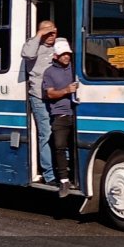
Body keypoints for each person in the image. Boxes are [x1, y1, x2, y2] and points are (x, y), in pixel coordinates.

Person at [21, 20, 58, 185]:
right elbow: (27, 54)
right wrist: (40, 35)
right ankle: (49, 174)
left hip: (58, 97)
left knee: (60, 133)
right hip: (39, 97)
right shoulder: (33, 45)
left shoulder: (59, 45)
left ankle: (63, 168)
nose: (51, 36)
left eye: (53, 32)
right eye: (47, 32)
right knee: (46, 133)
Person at [42, 38, 78, 198]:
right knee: (59, 146)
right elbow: (50, 93)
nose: (66, 57)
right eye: (63, 54)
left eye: (68, 54)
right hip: (60, 114)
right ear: (56, 56)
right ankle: (64, 180)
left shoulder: (76, 68)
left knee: (77, 146)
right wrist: (66, 90)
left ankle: (77, 177)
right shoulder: (49, 72)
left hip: (77, 113)